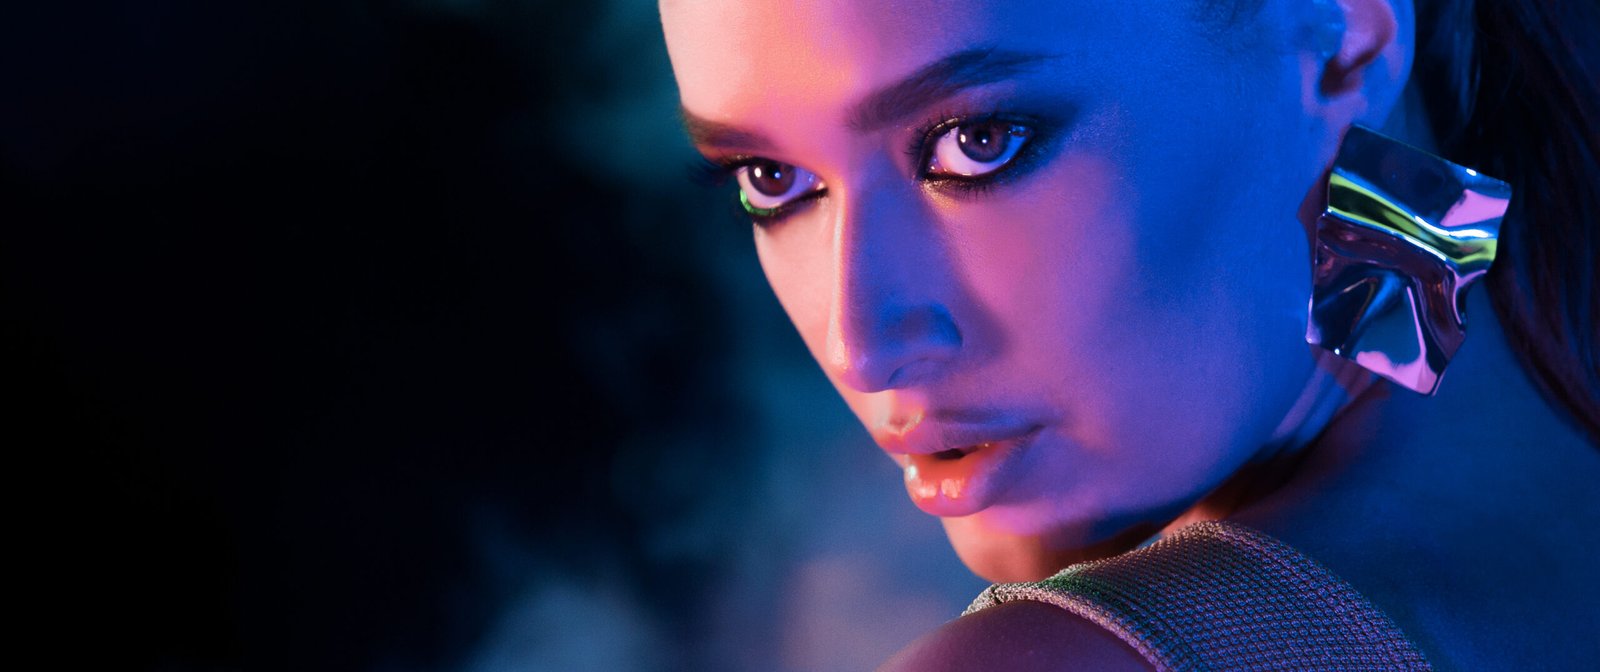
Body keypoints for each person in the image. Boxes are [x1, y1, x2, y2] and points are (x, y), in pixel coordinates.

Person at [658, 0, 1599, 668]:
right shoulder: (1532, 389)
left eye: (977, 142)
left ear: (1342, 41)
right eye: (771, 181)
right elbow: (1411, 264)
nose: (860, 344)